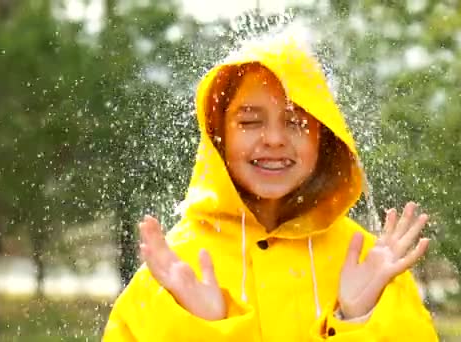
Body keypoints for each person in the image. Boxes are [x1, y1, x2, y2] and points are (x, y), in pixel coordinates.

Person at [102, 30, 438, 341]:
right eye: (249, 121)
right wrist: (200, 328)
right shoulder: (176, 266)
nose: (275, 139)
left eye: (296, 122)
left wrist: (357, 320)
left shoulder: (369, 262)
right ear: (219, 133)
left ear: (324, 138)